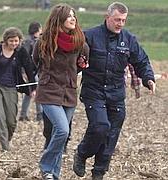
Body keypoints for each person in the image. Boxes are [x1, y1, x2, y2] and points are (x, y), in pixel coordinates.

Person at [72, 2, 156, 180]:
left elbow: (141, 60)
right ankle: (82, 153)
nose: (120, 24)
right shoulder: (90, 36)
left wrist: (148, 78)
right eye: (117, 19)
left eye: (124, 20)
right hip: (93, 91)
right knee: (100, 126)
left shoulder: (129, 39)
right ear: (107, 17)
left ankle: (99, 172)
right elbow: (74, 61)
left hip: (116, 94)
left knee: (111, 135)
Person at [32, 4, 89, 180]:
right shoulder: (44, 41)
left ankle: (52, 175)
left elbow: (81, 65)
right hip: (48, 91)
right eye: (69, 16)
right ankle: (46, 165)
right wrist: (46, 77)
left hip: (69, 92)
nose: (73, 19)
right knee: (63, 130)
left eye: (74, 16)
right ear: (59, 19)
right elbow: (36, 61)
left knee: (61, 134)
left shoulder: (80, 42)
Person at [19, 21, 43, 122]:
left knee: (29, 93)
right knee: (36, 92)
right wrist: (24, 72)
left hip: (34, 72)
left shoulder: (33, 40)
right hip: (31, 72)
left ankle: (23, 115)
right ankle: (39, 114)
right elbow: (25, 58)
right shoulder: (29, 42)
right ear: (37, 29)